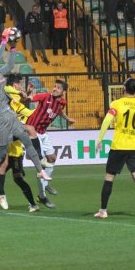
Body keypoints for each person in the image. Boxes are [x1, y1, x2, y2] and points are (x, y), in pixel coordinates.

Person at [0, 28, 51, 197]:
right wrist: (4, 41)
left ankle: (40, 171)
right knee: (2, 151)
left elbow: (9, 65)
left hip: (9, 113)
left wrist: (14, 46)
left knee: (26, 139)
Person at [94, 78, 135, 219]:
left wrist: (100, 138)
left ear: (124, 88)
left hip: (119, 147)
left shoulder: (117, 103)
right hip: (134, 147)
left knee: (109, 177)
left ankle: (103, 211)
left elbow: (107, 120)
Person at [26, 80, 76, 208]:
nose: (54, 89)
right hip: (33, 133)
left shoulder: (62, 102)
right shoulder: (45, 96)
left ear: (63, 92)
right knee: (42, 166)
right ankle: (42, 196)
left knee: (52, 159)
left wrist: (67, 119)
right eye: (54, 86)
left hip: (43, 133)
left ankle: (45, 184)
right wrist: (28, 92)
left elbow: (58, 111)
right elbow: (29, 99)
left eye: (58, 88)